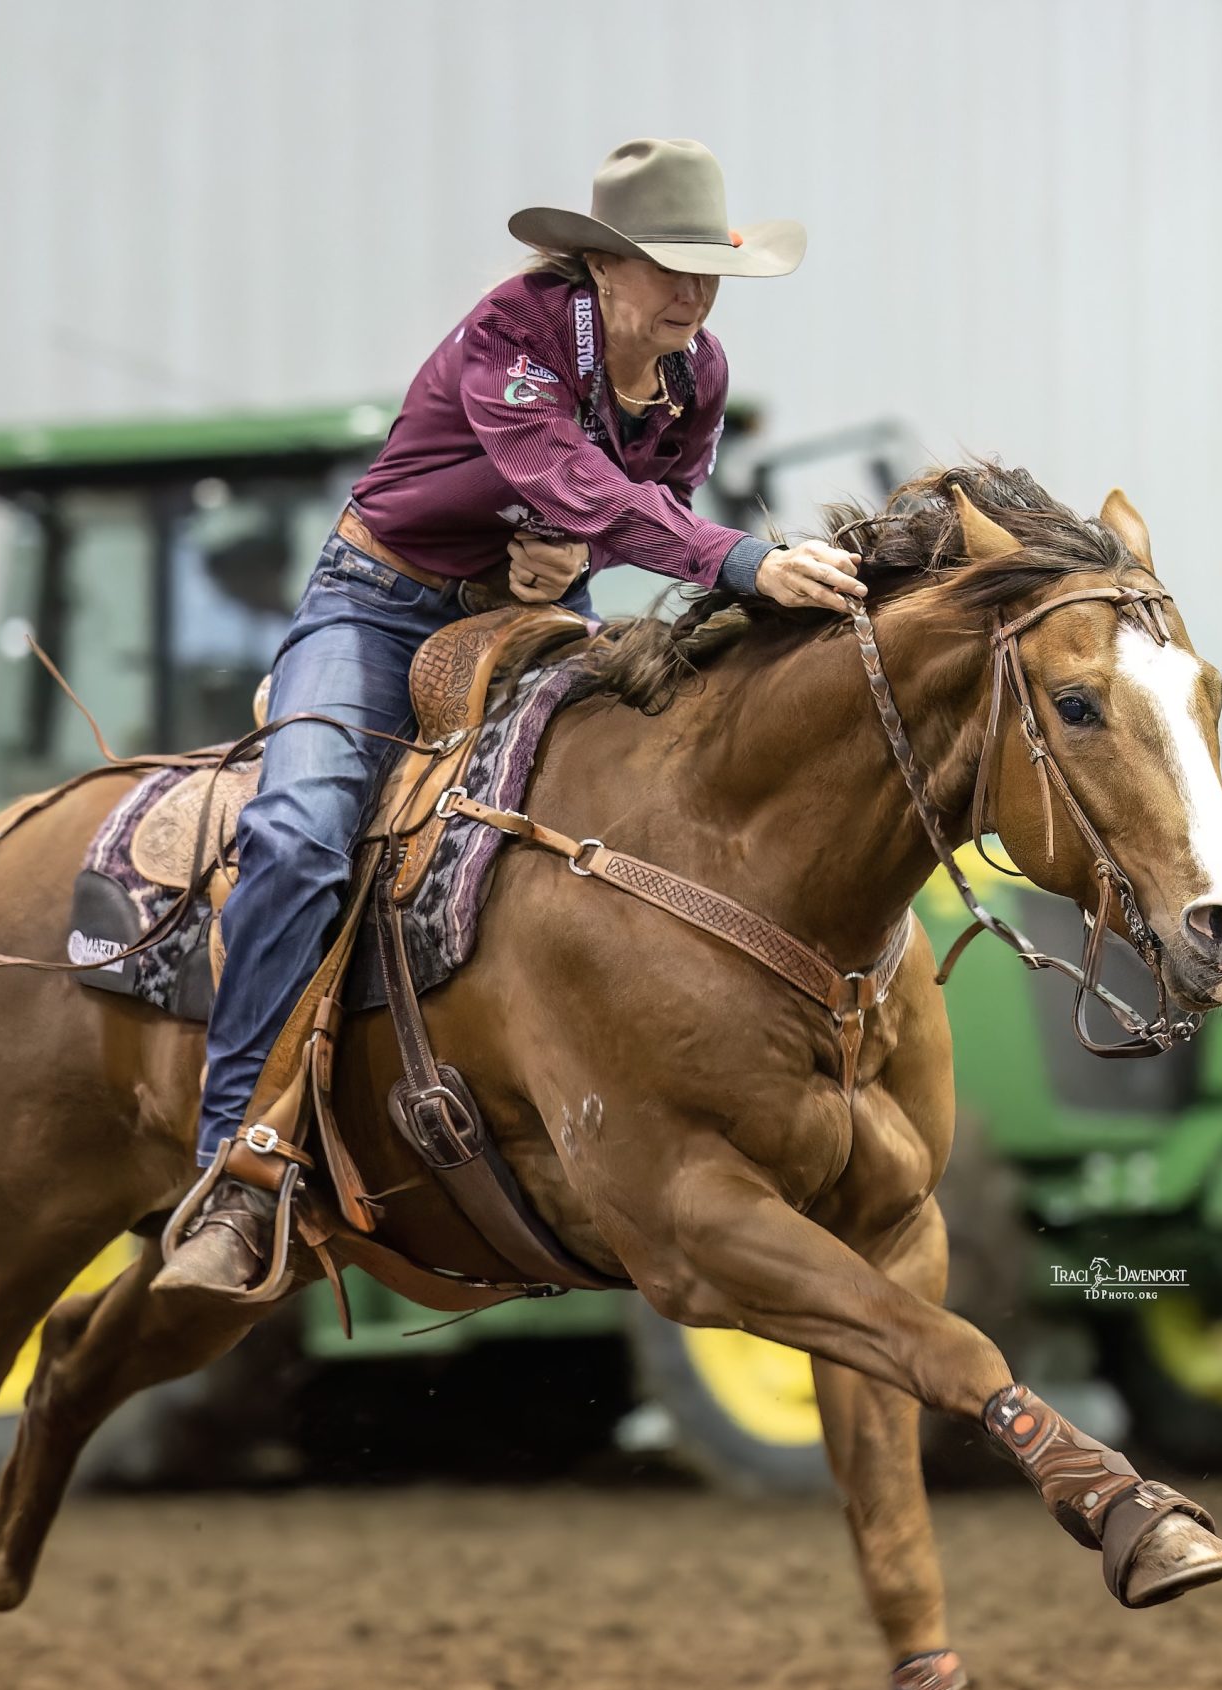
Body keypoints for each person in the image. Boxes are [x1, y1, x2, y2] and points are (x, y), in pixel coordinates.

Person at [161, 137, 869, 1295]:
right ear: (596, 265)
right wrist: (742, 562)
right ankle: (235, 1162)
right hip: (377, 609)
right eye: (665, 269)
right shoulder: (512, 333)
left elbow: (646, 502)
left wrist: (570, 558)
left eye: (706, 274)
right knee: (299, 830)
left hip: (538, 610)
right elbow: (581, 482)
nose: (690, 297)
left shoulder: (699, 374)